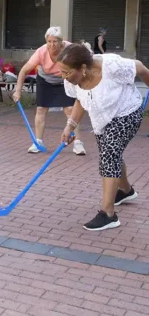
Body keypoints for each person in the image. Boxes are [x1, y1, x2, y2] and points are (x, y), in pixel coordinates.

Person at [58, 44, 149, 231]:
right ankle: (125, 191)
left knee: (109, 155)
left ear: (82, 68)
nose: (63, 76)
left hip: (127, 112)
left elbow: (139, 67)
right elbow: (80, 100)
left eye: (66, 72)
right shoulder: (72, 80)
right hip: (102, 119)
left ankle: (108, 214)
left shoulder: (112, 66)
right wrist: (70, 126)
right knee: (112, 155)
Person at [13, 26, 86, 155]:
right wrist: (18, 91)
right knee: (41, 109)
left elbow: (84, 64)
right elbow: (24, 70)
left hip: (65, 80)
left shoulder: (70, 49)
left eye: (55, 41)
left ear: (61, 42)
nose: (52, 45)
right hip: (45, 80)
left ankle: (78, 143)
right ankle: (38, 142)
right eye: (49, 41)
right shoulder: (41, 52)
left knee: (70, 109)